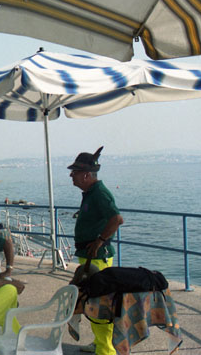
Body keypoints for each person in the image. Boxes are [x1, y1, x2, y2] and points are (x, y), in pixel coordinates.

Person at [68, 146, 124, 355]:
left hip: (97, 258)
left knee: (100, 304)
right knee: (91, 302)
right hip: (89, 255)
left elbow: (116, 219)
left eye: (74, 172)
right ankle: (100, 342)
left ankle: (106, 350)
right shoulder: (90, 193)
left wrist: (100, 240)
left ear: (86, 175)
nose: (71, 176)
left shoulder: (99, 193)